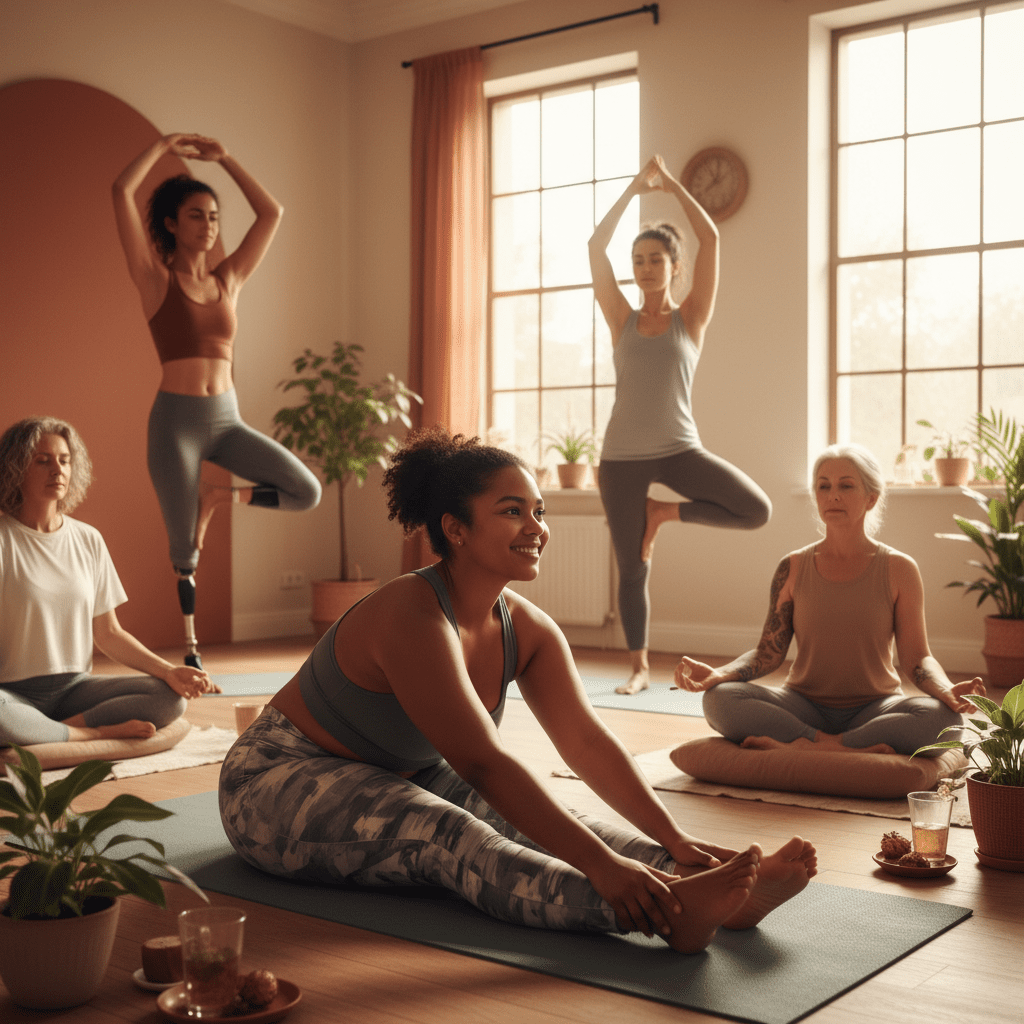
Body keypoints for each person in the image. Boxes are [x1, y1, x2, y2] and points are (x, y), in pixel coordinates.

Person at [219, 428, 816, 953]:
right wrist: (603, 871)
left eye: (540, 511)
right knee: (451, 834)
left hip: (402, 773)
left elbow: (587, 745)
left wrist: (674, 839)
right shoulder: (409, 612)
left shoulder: (525, 629)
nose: (537, 529)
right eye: (513, 511)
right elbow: (484, 763)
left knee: (555, 816)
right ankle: (666, 914)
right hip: (273, 784)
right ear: (455, 528)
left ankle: (703, 887)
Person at [112, 133, 321, 668]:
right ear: (171, 225)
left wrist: (225, 158)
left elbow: (271, 212)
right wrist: (160, 146)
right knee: (184, 552)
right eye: (197, 216)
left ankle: (218, 497)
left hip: (226, 420)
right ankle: (192, 651)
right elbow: (121, 190)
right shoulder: (155, 280)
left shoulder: (231, 279)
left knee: (305, 491)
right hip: (175, 424)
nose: (209, 226)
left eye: (213, 216)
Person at [589, 155, 771, 696]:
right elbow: (595, 248)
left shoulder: (689, 318)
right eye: (638, 260)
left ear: (674, 266)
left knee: (755, 508)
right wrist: (629, 191)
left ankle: (663, 512)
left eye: (655, 259)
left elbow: (710, 238)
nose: (644, 268)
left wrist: (670, 186)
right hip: (620, 457)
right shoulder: (620, 318)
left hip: (677, 448)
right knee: (631, 566)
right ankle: (640, 666)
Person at [675, 443, 985, 756]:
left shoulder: (899, 568)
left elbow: (917, 658)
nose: (832, 495)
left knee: (945, 720)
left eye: (846, 486)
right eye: (824, 486)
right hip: (803, 705)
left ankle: (805, 745)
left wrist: (947, 691)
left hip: (876, 707)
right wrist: (719, 674)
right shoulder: (793, 566)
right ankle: (845, 746)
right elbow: (768, 652)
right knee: (719, 699)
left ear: (871, 498)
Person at [0, 417, 219, 749]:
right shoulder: (4, 540)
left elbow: (109, 634)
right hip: (11, 693)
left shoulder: (88, 539)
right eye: (42, 460)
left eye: (64, 460)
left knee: (168, 698)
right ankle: (91, 735)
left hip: (75, 690)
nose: (57, 470)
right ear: (15, 468)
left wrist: (168, 672)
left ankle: (52, 732)